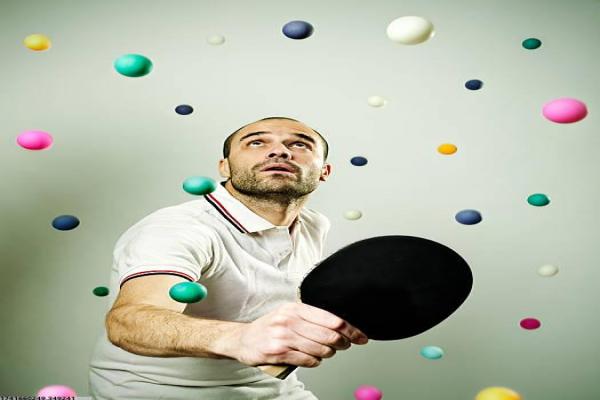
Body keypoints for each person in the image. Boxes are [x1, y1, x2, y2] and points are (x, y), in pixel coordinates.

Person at [88, 116, 369, 399]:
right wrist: (241, 338)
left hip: (277, 391)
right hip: (160, 393)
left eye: (299, 144)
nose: (279, 151)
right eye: (256, 142)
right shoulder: (179, 228)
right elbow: (128, 322)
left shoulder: (313, 224)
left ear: (324, 171)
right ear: (225, 166)